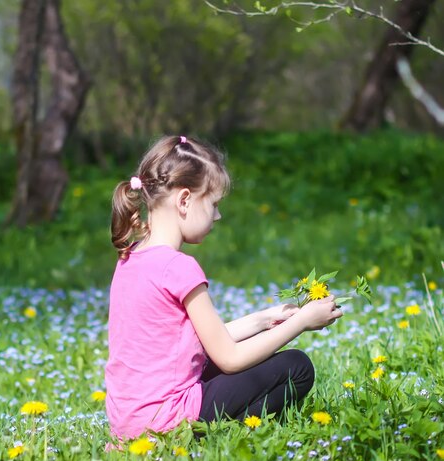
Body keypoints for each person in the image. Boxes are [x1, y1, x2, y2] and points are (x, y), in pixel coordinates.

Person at [105, 135, 343, 441]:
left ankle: (211, 432)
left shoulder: (131, 257)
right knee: (297, 367)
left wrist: (265, 319)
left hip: (130, 421)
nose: (217, 215)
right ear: (185, 200)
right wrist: (301, 322)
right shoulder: (178, 267)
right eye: (214, 204)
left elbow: (192, 343)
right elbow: (228, 357)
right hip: (168, 421)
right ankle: (222, 438)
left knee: (214, 363)